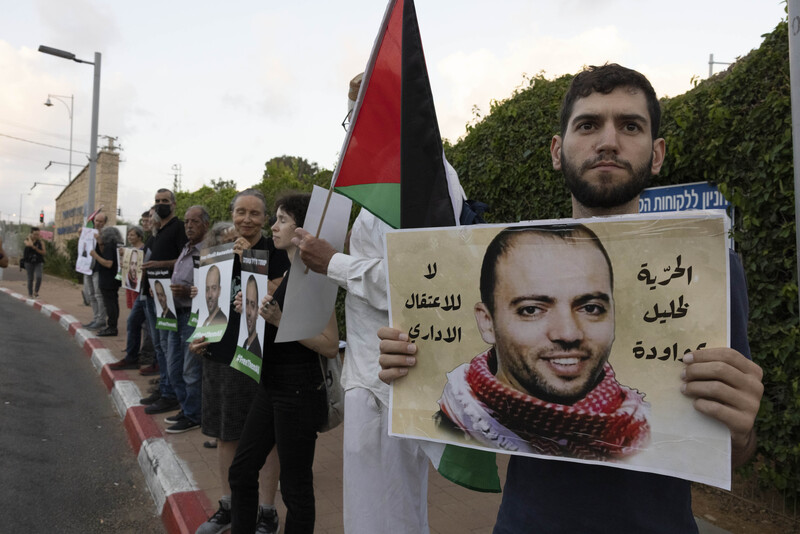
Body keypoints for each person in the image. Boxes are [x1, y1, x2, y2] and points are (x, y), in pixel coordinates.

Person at [378, 63, 764, 533]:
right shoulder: (466, 390)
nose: (608, 141)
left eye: (630, 125)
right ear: (558, 152)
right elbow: (438, 404)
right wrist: (411, 364)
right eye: (588, 124)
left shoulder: (713, 271)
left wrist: (741, 426)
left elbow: (735, 449)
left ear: (657, 153)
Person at [289, 74, 471, 534]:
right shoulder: (382, 178)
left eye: (360, 114)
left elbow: (424, 281)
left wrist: (333, 262)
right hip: (369, 373)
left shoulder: (427, 174)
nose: (351, 129)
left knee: (393, 512)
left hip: (396, 376)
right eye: (350, 116)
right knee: (370, 511)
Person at [437, 224, 649, 460]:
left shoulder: (645, 430)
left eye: (591, 308)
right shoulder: (453, 424)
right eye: (531, 310)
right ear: (487, 323)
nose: (568, 333)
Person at [227, 192, 338, 534]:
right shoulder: (290, 271)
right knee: (242, 471)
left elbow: (331, 345)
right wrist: (248, 309)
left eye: (282, 220)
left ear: (301, 229)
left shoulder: (314, 276)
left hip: (299, 392)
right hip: (272, 385)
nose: (273, 227)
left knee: (295, 488)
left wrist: (277, 321)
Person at [190, 191, 290, 534]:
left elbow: (280, 295)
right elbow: (207, 302)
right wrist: (198, 334)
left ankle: (266, 511)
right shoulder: (218, 252)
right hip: (220, 354)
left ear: (266, 218)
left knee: (268, 437)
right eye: (240, 212)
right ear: (232, 214)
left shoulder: (276, 250)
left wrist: (251, 260)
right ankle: (228, 506)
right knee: (225, 433)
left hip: (260, 355)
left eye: (255, 213)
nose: (247, 219)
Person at [140, 189, 188, 415]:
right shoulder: (156, 231)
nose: (160, 205)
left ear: (174, 204)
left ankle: (170, 395)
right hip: (152, 295)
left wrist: (160, 265)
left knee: (169, 347)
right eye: (157, 201)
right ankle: (164, 387)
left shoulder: (178, 228)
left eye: (164, 201)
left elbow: (183, 259)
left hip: (168, 297)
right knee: (159, 345)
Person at [162, 205, 209, 434]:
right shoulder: (186, 248)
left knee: (191, 370)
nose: (189, 225)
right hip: (174, 315)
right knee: (174, 368)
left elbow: (211, 288)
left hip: (193, 317)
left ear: (206, 225)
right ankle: (186, 407)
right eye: (187, 222)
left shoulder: (208, 251)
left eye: (195, 221)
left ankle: (193, 415)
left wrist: (187, 291)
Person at [109, 226, 148, 370]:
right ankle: (133, 355)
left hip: (143, 289)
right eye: (129, 235)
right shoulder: (129, 250)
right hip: (133, 286)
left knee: (142, 323)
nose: (130, 237)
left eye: (133, 235)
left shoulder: (144, 248)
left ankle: (143, 355)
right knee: (133, 320)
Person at [89, 226, 123, 336]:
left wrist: (95, 255)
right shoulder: (116, 245)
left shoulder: (109, 247)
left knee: (110, 304)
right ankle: (112, 326)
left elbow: (108, 263)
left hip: (108, 279)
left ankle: (112, 327)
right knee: (113, 303)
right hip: (114, 279)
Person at [82, 212, 108, 329]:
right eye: (96, 221)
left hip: (98, 268)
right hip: (87, 267)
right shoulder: (89, 232)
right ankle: (95, 317)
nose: (97, 223)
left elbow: (106, 252)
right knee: (90, 294)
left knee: (98, 295)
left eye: (100, 221)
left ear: (104, 223)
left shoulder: (107, 235)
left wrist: (99, 240)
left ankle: (101, 319)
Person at [241, 275, 262, 358]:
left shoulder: (257, 352)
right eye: (246, 303)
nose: (248, 312)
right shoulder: (244, 343)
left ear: (257, 311)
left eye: (252, 305)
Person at [23, 227, 46, 298]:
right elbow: (29, 244)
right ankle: (30, 293)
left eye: (38, 234)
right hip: (29, 262)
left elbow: (44, 252)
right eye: (35, 234)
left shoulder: (41, 242)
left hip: (38, 261)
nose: (36, 236)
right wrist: (29, 238)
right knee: (30, 278)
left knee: (39, 277)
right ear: (31, 234)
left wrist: (36, 248)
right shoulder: (26, 240)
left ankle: (36, 292)